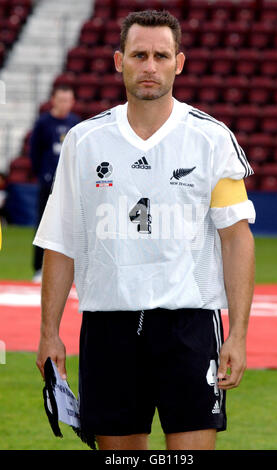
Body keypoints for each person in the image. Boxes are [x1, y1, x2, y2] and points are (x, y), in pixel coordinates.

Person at [34, 10, 256, 451]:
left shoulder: (211, 139)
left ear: (180, 62)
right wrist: (48, 331)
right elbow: (61, 242)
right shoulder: (84, 141)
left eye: (161, 55)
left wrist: (238, 334)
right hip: (107, 326)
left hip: (189, 325)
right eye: (139, 55)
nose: (150, 65)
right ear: (119, 61)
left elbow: (236, 238)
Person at [29, 84, 80, 282]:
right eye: (61, 100)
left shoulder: (75, 123)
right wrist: (42, 174)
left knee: (70, 225)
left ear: (73, 102)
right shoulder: (43, 123)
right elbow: (34, 151)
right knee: (43, 223)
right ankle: (38, 269)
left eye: (68, 100)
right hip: (47, 182)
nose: (64, 104)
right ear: (53, 100)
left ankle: (71, 269)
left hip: (68, 183)